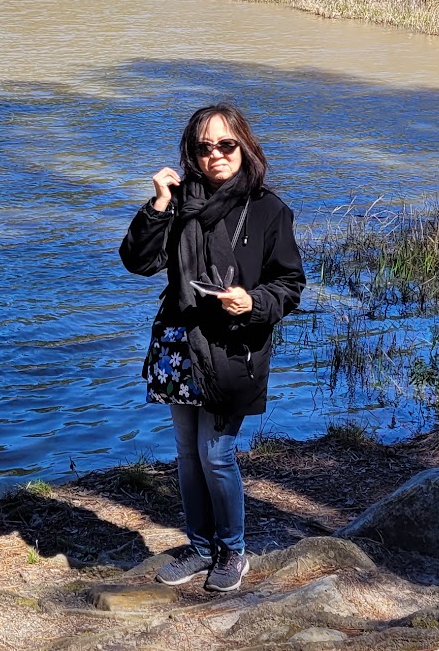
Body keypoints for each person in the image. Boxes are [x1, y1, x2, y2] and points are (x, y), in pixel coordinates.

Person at [119, 102, 306, 593]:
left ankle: (233, 551)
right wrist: (158, 204)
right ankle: (201, 549)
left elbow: (290, 283)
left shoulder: (269, 210)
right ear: (192, 152)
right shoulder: (181, 203)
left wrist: (254, 300)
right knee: (186, 453)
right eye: (204, 148)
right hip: (180, 344)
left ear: (244, 145)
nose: (215, 156)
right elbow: (138, 262)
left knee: (216, 454)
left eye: (226, 144)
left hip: (232, 348)